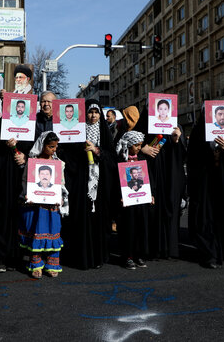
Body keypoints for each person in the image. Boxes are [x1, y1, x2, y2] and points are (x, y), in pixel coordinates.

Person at [0, 92, 57, 272]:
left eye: (21, 107)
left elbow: (38, 151)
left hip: (23, 180)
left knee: (20, 219)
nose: (18, 109)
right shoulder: (1, 125)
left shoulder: (32, 128)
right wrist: (5, 147)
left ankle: (14, 258)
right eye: (16, 107)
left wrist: (25, 157)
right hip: (3, 180)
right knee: (2, 219)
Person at [59, 99, 117, 270]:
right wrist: (80, 152)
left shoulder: (104, 132)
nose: (93, 116)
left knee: (98, 219)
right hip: (81, 181)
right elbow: (66, 153)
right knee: (81, 218)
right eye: (90, 112)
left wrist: (98, 151)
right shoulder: (77, 130)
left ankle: (98, 256)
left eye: (96, 112)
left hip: (100, 184)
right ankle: (81, 256)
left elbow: (113, 159)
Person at [188, 112, 224, 269]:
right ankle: (208, 254)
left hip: (222, 185)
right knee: (204, 218)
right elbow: (192, 158)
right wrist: (208, 148)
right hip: (204, 184)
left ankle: (219, 251)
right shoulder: (199, 132)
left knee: (220, 218)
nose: (221, 117)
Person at [134, 106, 186, 260]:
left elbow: (182, 155)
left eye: (165, 109)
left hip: (169, 176)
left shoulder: (175, 128)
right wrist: (143, 149)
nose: (161, 113)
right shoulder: (143, 126)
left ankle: (167, 249)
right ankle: (148, 249)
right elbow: (129, 144)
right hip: (150, 174)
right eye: (158, 109)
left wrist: (177, 140)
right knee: (150, 210)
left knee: (169, 208)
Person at [19, 131, 68, 278]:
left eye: (55, 147)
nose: (54, 149)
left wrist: (60, 197)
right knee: (36, 232)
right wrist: (28, 194)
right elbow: (25, 181)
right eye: (51, 146)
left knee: (53, 232)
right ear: (42, 145)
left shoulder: (59, 163)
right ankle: (36, 264)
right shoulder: (32, 163)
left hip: (51, 205)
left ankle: (52, 264)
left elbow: (61, 184)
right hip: (35, 206)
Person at [116, 131, 151, 270]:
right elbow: (116, 180)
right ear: (129, 145)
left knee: (141, 227)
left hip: (141, 200)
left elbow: (148, 176)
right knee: (128, 228)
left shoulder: (142, 158)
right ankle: (128, 256)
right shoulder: (120, 159)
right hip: (127, 203)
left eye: (140, 145)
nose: (138, 147)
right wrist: (120, 195)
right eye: (136, 145)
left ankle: (139, 254)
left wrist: (151, 193)